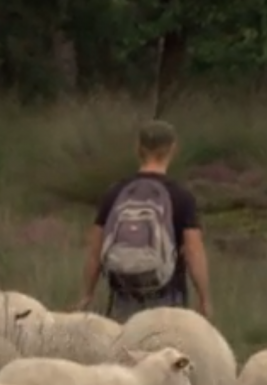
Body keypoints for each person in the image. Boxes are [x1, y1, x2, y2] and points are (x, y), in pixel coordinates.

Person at [78, 119, 211, 322]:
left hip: (123, 295)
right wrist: (204, 299)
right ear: (173, 149)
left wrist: (87, 295)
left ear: (138, 149)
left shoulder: (116, 192)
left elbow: (95, 251)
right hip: (167, 297)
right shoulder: (181, 196)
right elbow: (194, 251)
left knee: (125, 341)